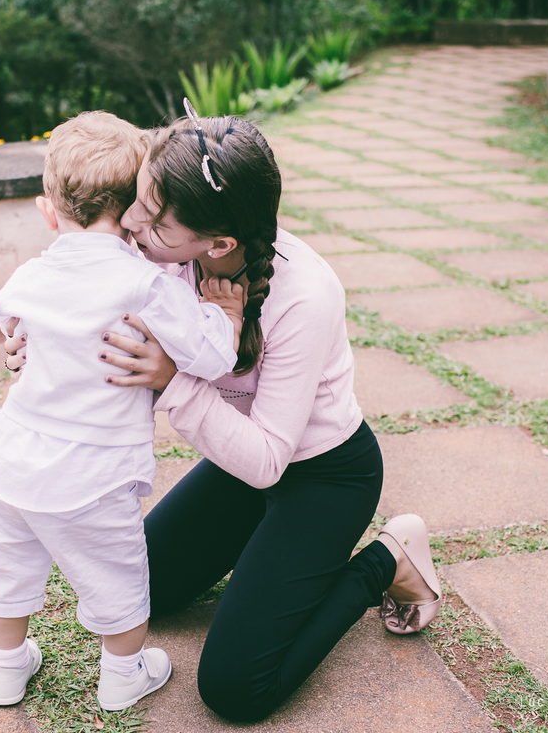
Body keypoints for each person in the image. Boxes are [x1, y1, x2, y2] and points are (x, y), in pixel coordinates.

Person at [89, 106, 444, 722]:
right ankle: (274, 555)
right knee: (138, 591)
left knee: (234, 689)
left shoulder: (306, 294)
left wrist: (173, 381)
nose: (129, 223)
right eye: (138, 201)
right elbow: (89, 313)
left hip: (323, 475)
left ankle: (391, 557)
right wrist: (34, 345)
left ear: (220, 243)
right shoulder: (167, 257)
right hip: (239, 464)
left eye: (150, 217)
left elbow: (266, 462)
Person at [0, 110, 246, 713]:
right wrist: (225, 317)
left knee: (8, 568)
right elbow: (209, 356)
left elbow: (10, 321)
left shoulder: (27, 277)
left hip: (8, 461)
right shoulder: (146, 285)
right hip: (91, 476)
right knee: (117, 577)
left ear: (49, 211)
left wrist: (23, 343)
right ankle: (124, 674)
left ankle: (8, 670)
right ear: (136, 213)